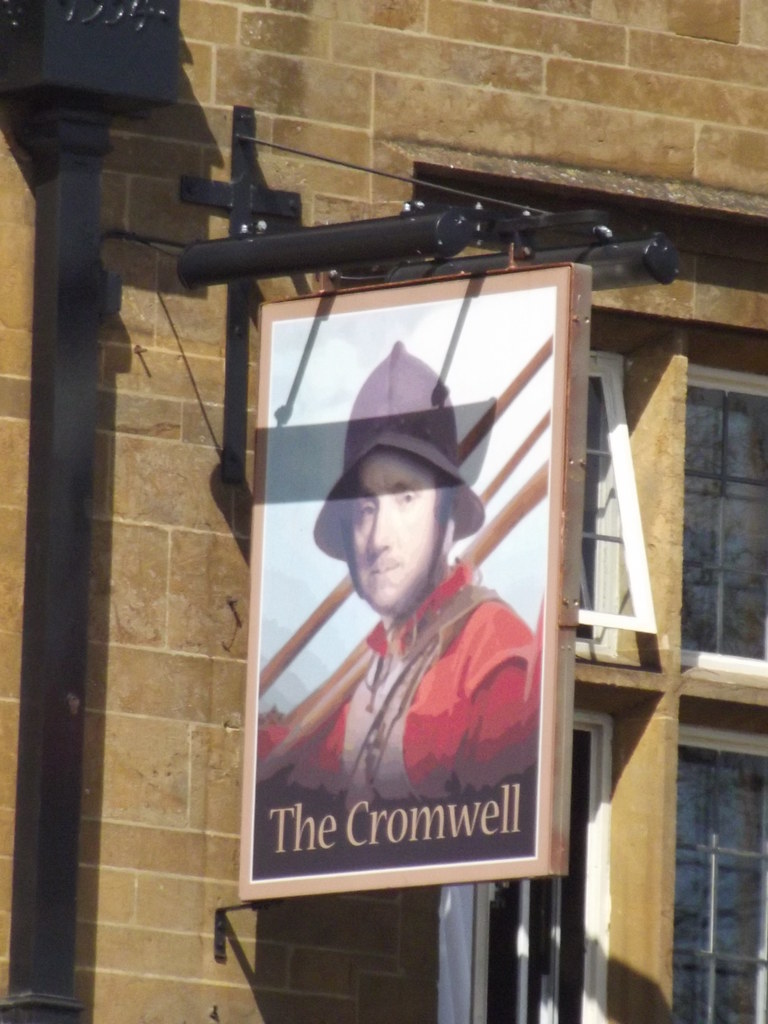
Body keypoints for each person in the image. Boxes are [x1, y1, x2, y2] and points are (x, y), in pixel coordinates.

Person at [258, 341, 541, 809]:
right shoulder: (363, 677)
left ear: (447, 517)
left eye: (405, 496)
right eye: (365, 508)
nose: (378, 538)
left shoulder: (495, 658)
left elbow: (503, 820)